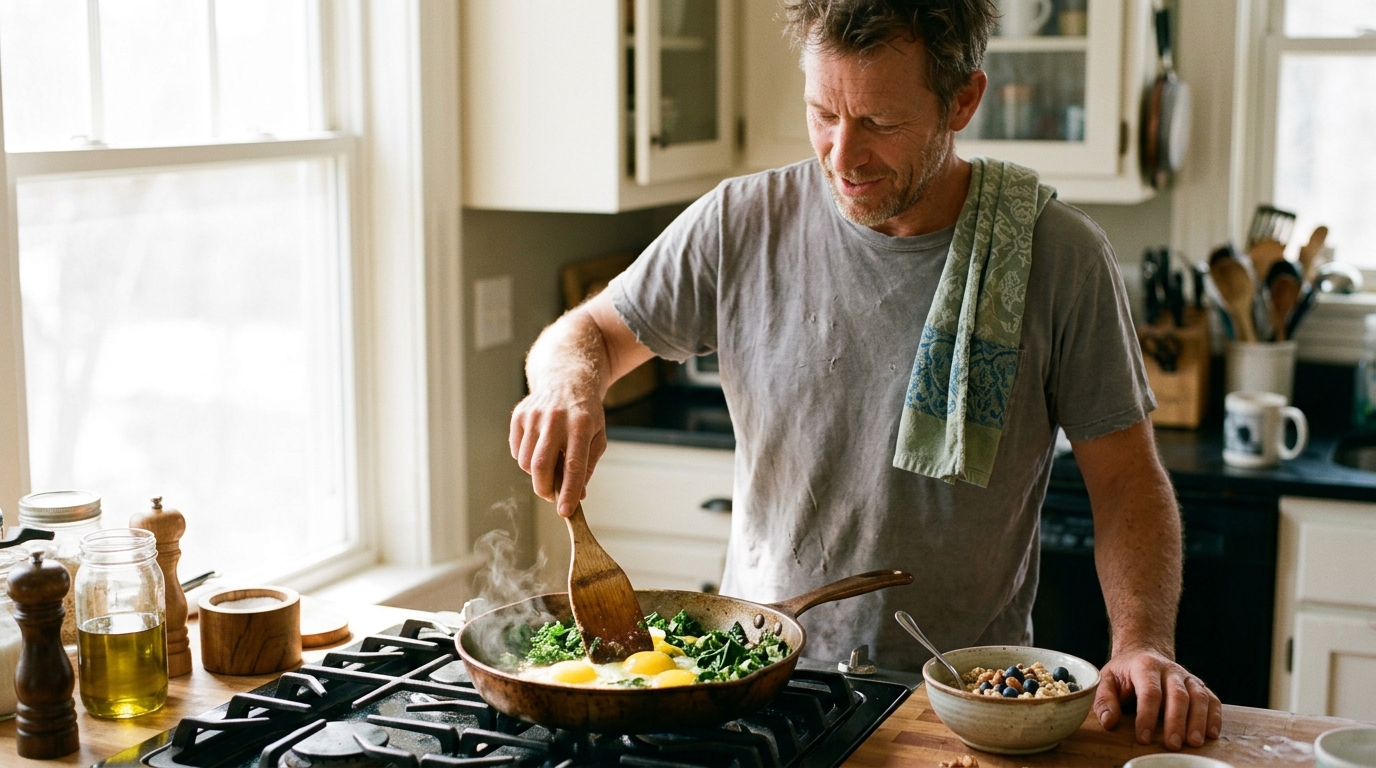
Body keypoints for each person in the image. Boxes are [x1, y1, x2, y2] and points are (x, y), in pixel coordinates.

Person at [509, 0, 1223, 752]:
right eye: (823, 113)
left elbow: (1126, 481)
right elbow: (583, 333)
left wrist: (1143, 643)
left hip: (968, 699)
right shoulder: (740, 222)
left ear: (964, 101)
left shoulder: (1058, 255)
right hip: (758, 679)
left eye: (879, 123)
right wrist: (567, 384)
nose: (842, 156)